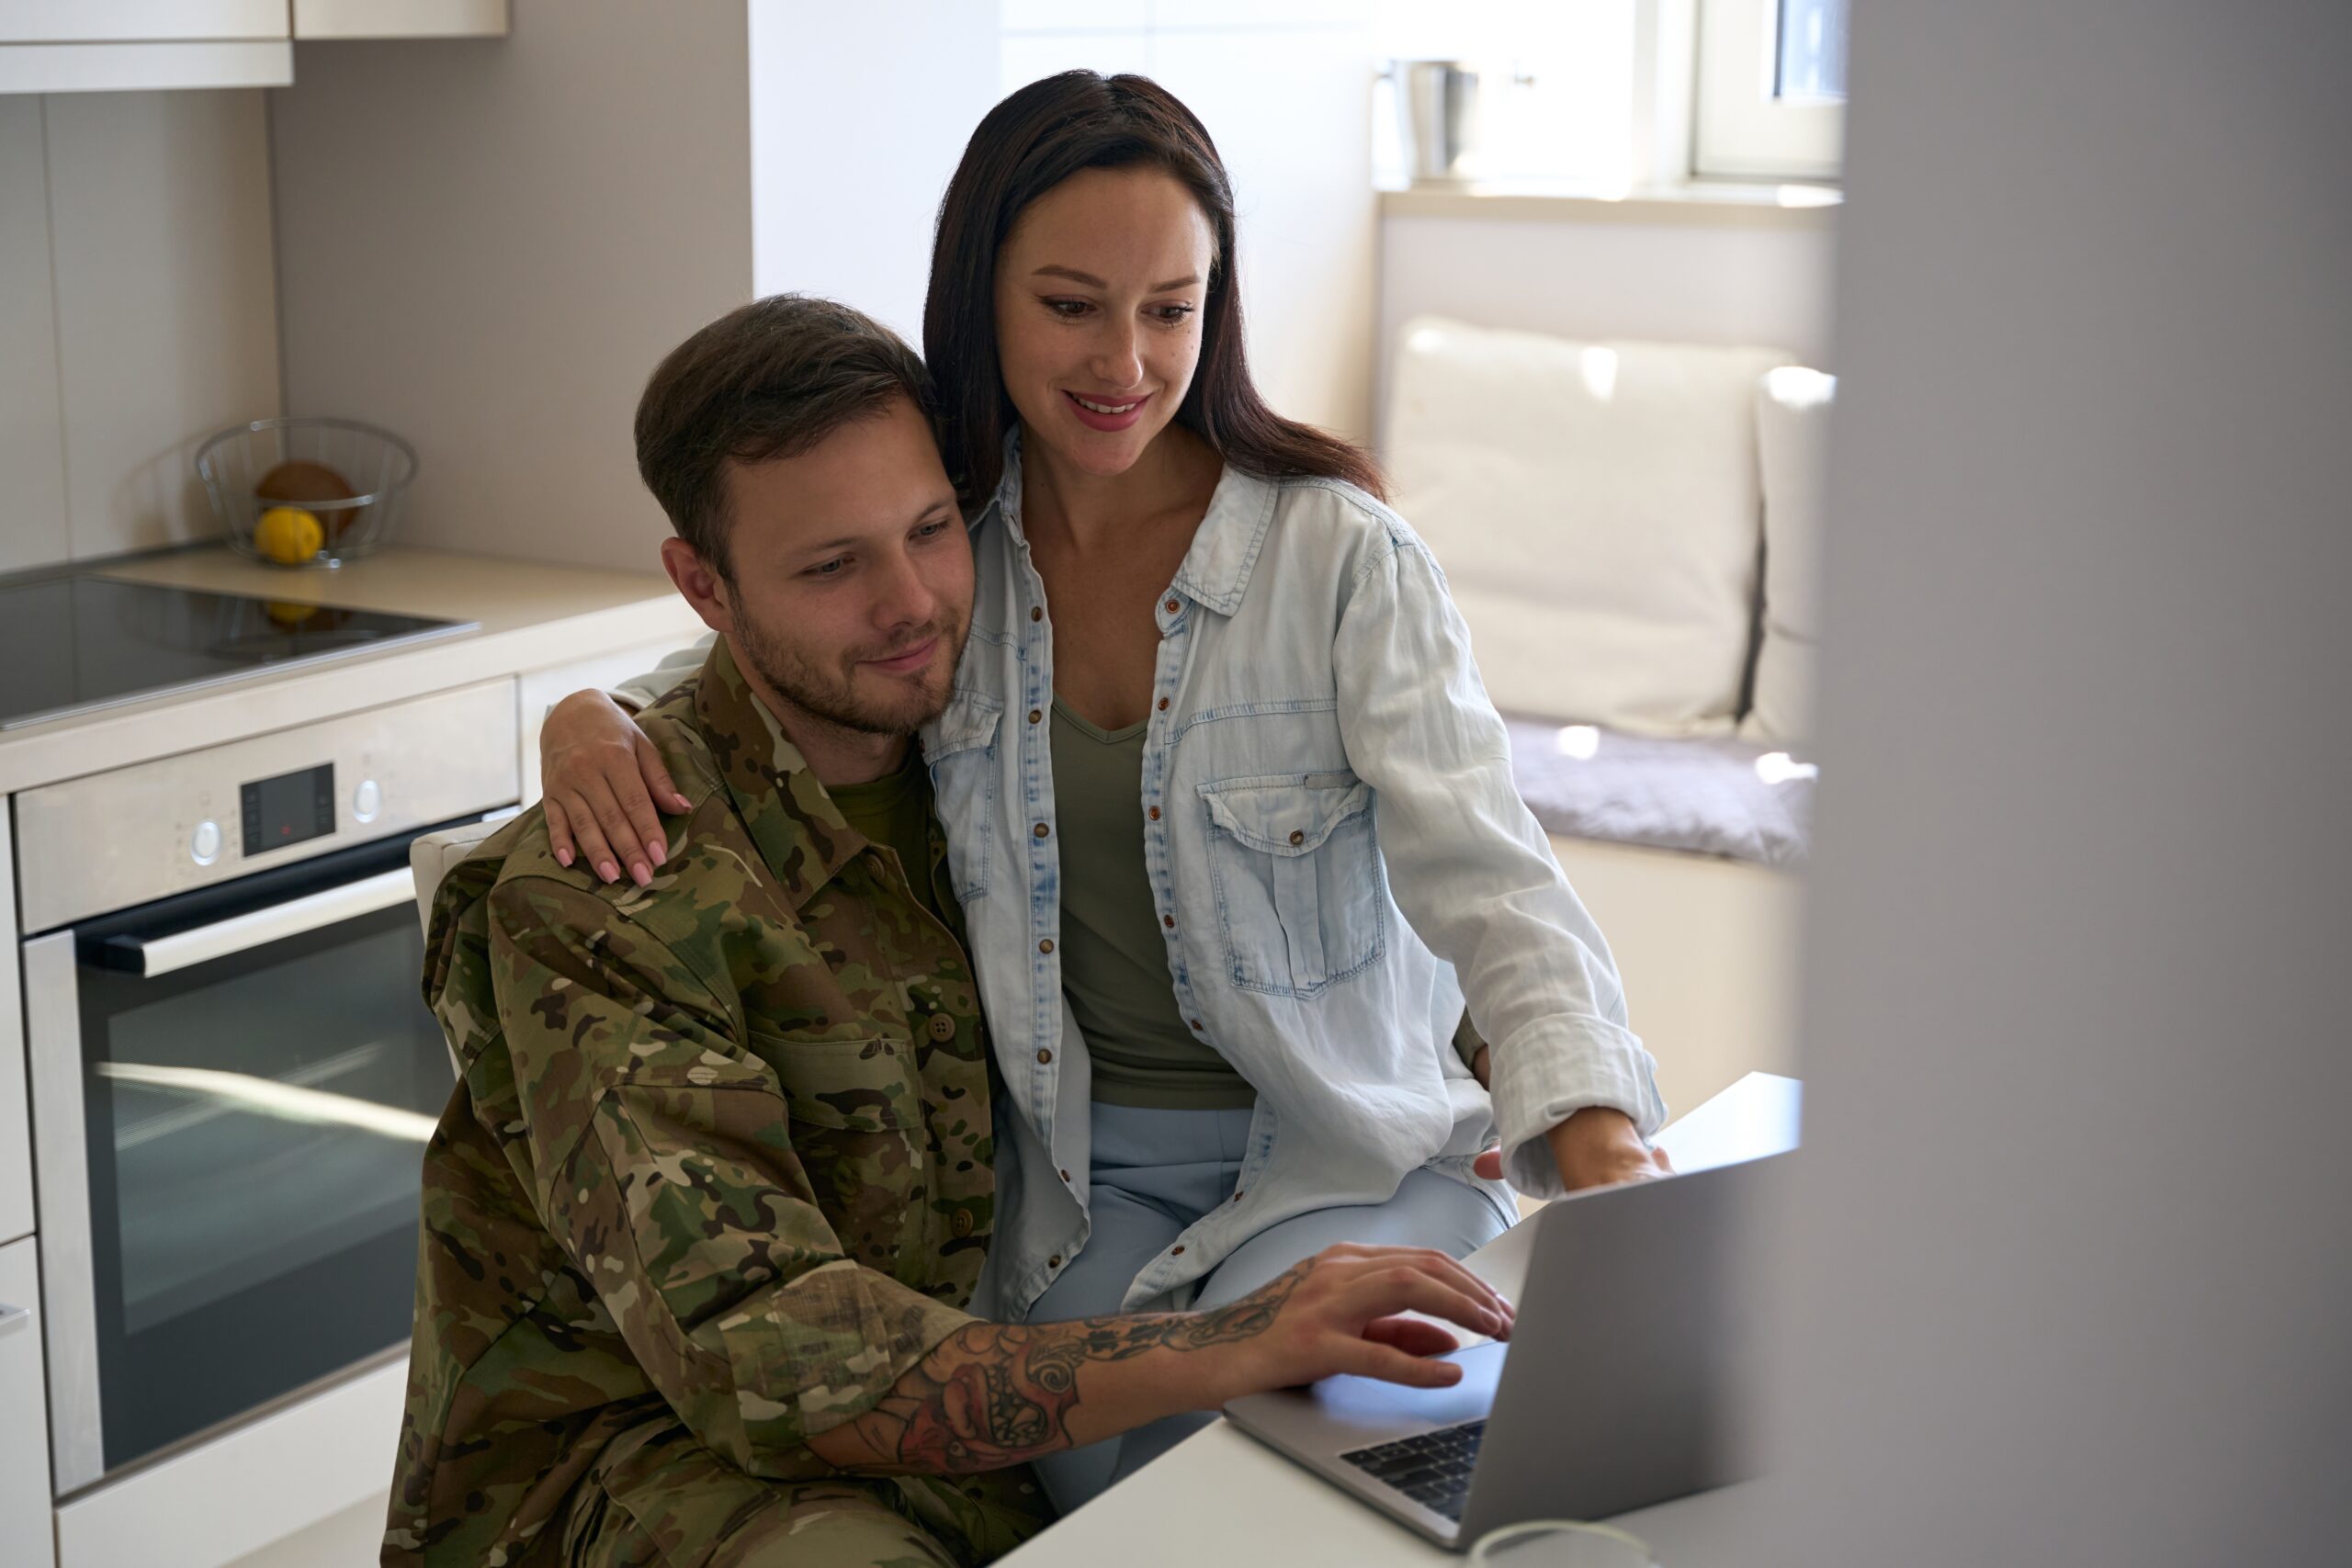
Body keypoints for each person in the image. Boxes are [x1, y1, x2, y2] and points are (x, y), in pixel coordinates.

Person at [536, 73, 1667, 1512]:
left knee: (1263, 1480)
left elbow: (1492, 878)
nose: (1125, 360)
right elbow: (752, 652)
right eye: (1071, 305)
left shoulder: (1340, 561)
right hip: (1079, 1191)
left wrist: (1606, 1159)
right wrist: (586, 716)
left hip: (1346, 1154)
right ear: (982, 295)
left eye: (1171, 309)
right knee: (1077, 1504)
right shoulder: (949, 558)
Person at [386, 295, 1512, 1568]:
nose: (913, 601)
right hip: (651, 1460)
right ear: (701, 583)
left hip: (986, 1397)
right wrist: (1222, 1345)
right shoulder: (606, 883)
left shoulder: (983, 745)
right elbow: (761, 1349)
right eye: (831, 567)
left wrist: (1482, 1071)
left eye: (931, 530)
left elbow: (1313, 902)